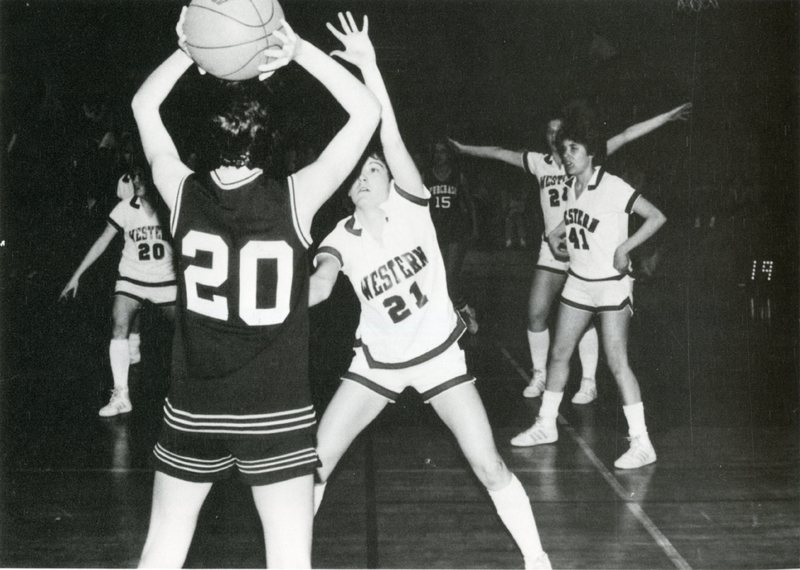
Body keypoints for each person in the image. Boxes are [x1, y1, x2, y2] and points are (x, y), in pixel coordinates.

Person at [131, 13, 380, 569]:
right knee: (289, 560)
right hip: (275, 412)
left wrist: (190, 50)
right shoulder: (296, 198)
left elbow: (143, 107)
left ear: (200, 141)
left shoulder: (180, 194)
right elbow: (368, 112)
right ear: (271, 143)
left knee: (163, 549)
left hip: (195, 407)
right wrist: (297, 50)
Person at [309, 13, 550, 570]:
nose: (368, 174)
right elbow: (321, 282)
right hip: (376, 365)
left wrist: (370, 67)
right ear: (350, 187)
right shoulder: (338, 236)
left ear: (392, 178)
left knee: (489, 465)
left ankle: (538, 559)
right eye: (360, 172)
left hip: (440, 357)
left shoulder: (412, 205)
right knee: (314, 466)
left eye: (376, 168)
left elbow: (387, 132)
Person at [450, 101, 690, 405]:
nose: (553, 137)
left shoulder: (583, 160)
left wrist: (666, 116)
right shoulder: (540, 163)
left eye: (558, 132)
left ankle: (588, 382)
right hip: (555, 248)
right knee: (536, 312)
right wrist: (465, 148)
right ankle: (539, 374)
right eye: (549, 132)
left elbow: (628, 135)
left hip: (587, 250)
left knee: (585, 319)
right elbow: (499, 153)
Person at [510, 104, 667, 469]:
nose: (566, 155)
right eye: (564, 149)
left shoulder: (613, 186)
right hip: (579, 283)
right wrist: (555, 235)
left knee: (617, 362)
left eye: (573, 149)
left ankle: (642, 442)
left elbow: (657, 217)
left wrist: (625, 248)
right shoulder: (569, 186)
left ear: (591, 152)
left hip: (611, 285)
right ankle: (546, 424)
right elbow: (569, 220)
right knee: (559, 355)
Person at [59, 165, 176, 417]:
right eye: (133, 177)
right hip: (131, 278)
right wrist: (77, 275)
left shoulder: (170, 206)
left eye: (140, 176)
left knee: (189, 330)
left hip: (166, 280)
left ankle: (193, 391)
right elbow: (103, 240)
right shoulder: (125, 208)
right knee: (119, 323)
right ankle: (121, 394)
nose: (135, 181)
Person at [423, 138, 479, 333]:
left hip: (456, 230)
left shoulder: (458, 176)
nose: (440, 155)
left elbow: (469, 203)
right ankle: (450, 313)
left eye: (443, 151)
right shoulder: (425, 176)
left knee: (449, 276)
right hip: (435, 232)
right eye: (437, 152)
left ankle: (464, 311)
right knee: (436, 277)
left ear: (449, 154)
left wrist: (474, 227)